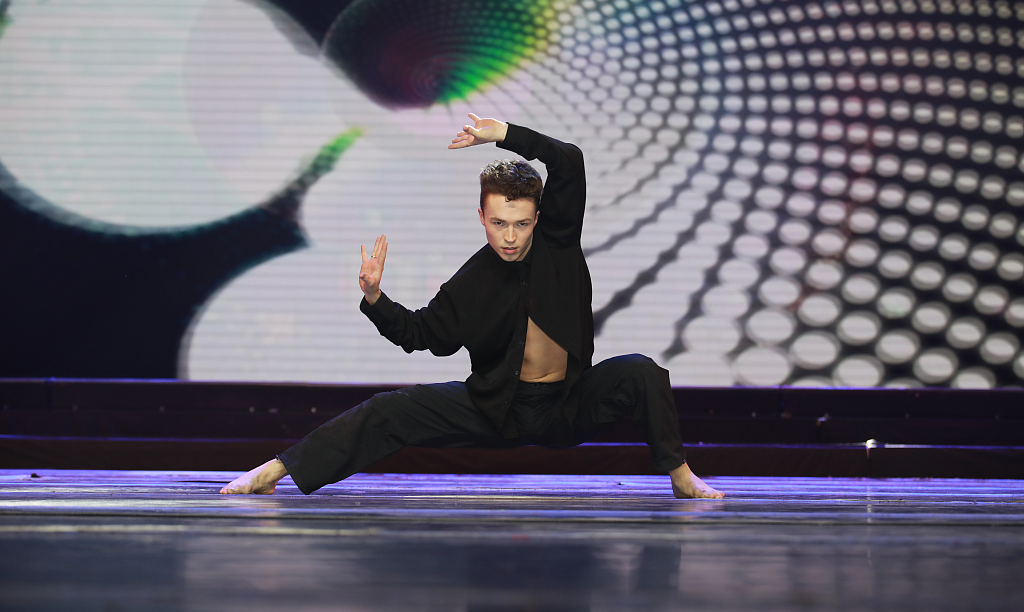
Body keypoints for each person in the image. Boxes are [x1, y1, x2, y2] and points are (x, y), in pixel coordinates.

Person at [221, 114, 724, 499]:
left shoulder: (559, 243)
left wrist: (503, 132)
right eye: (500, 223)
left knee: (641, 372)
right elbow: (421, 335)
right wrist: (374, 298)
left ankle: (680, 478)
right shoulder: (472, 280)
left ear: (537, 218)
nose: (511, 236)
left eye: (522, 224)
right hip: (497, 407)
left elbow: (568, 160)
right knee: (385, 411)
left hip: (568, 404)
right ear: (482, 215)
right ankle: (276, 472)